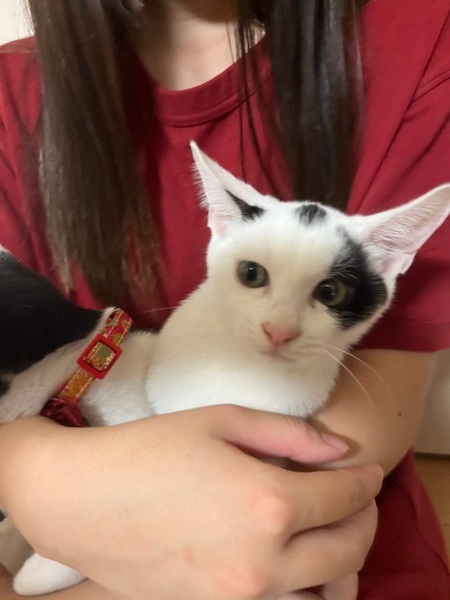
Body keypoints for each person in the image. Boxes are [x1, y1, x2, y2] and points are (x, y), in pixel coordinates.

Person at [0, 0, 449, 598]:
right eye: (255, 276)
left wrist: (34, 474)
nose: (280, 327)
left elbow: (329, 467)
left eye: (329, 291)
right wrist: (23, 466)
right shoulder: (14, 96)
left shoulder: (419, 42)